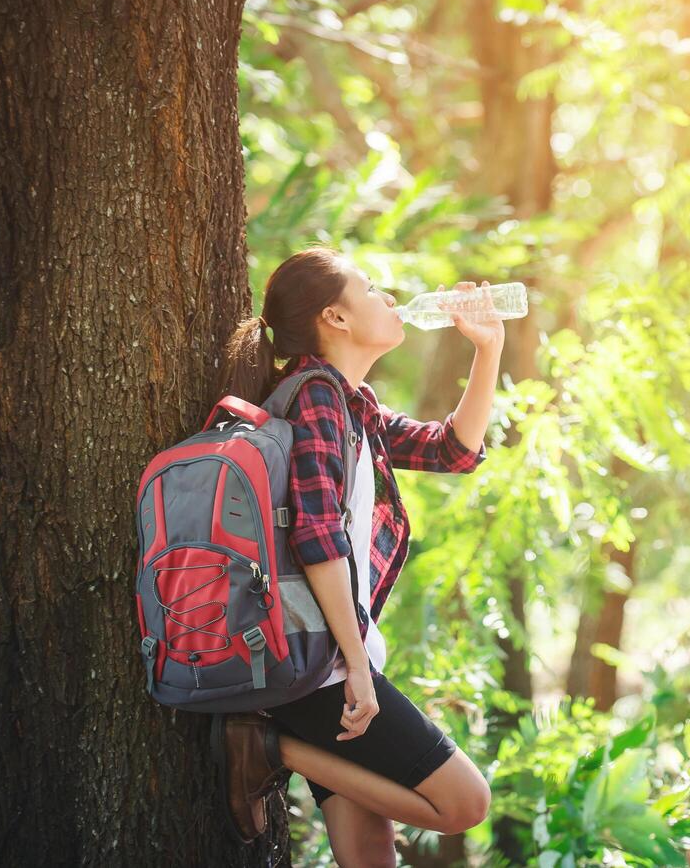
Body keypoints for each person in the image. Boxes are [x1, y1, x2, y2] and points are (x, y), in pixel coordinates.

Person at [212, 245, 501, 862]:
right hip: (324, 666)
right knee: (464, 804)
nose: (389, 299)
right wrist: (358, 666)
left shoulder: (348, 403)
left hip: (324, 659)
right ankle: (267, 748)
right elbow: (317, 538)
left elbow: (451, 451)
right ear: (335, 318)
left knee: (372, 859)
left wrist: (488, 348)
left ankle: (270, 742)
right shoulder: (313, 396)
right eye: (371, 289)